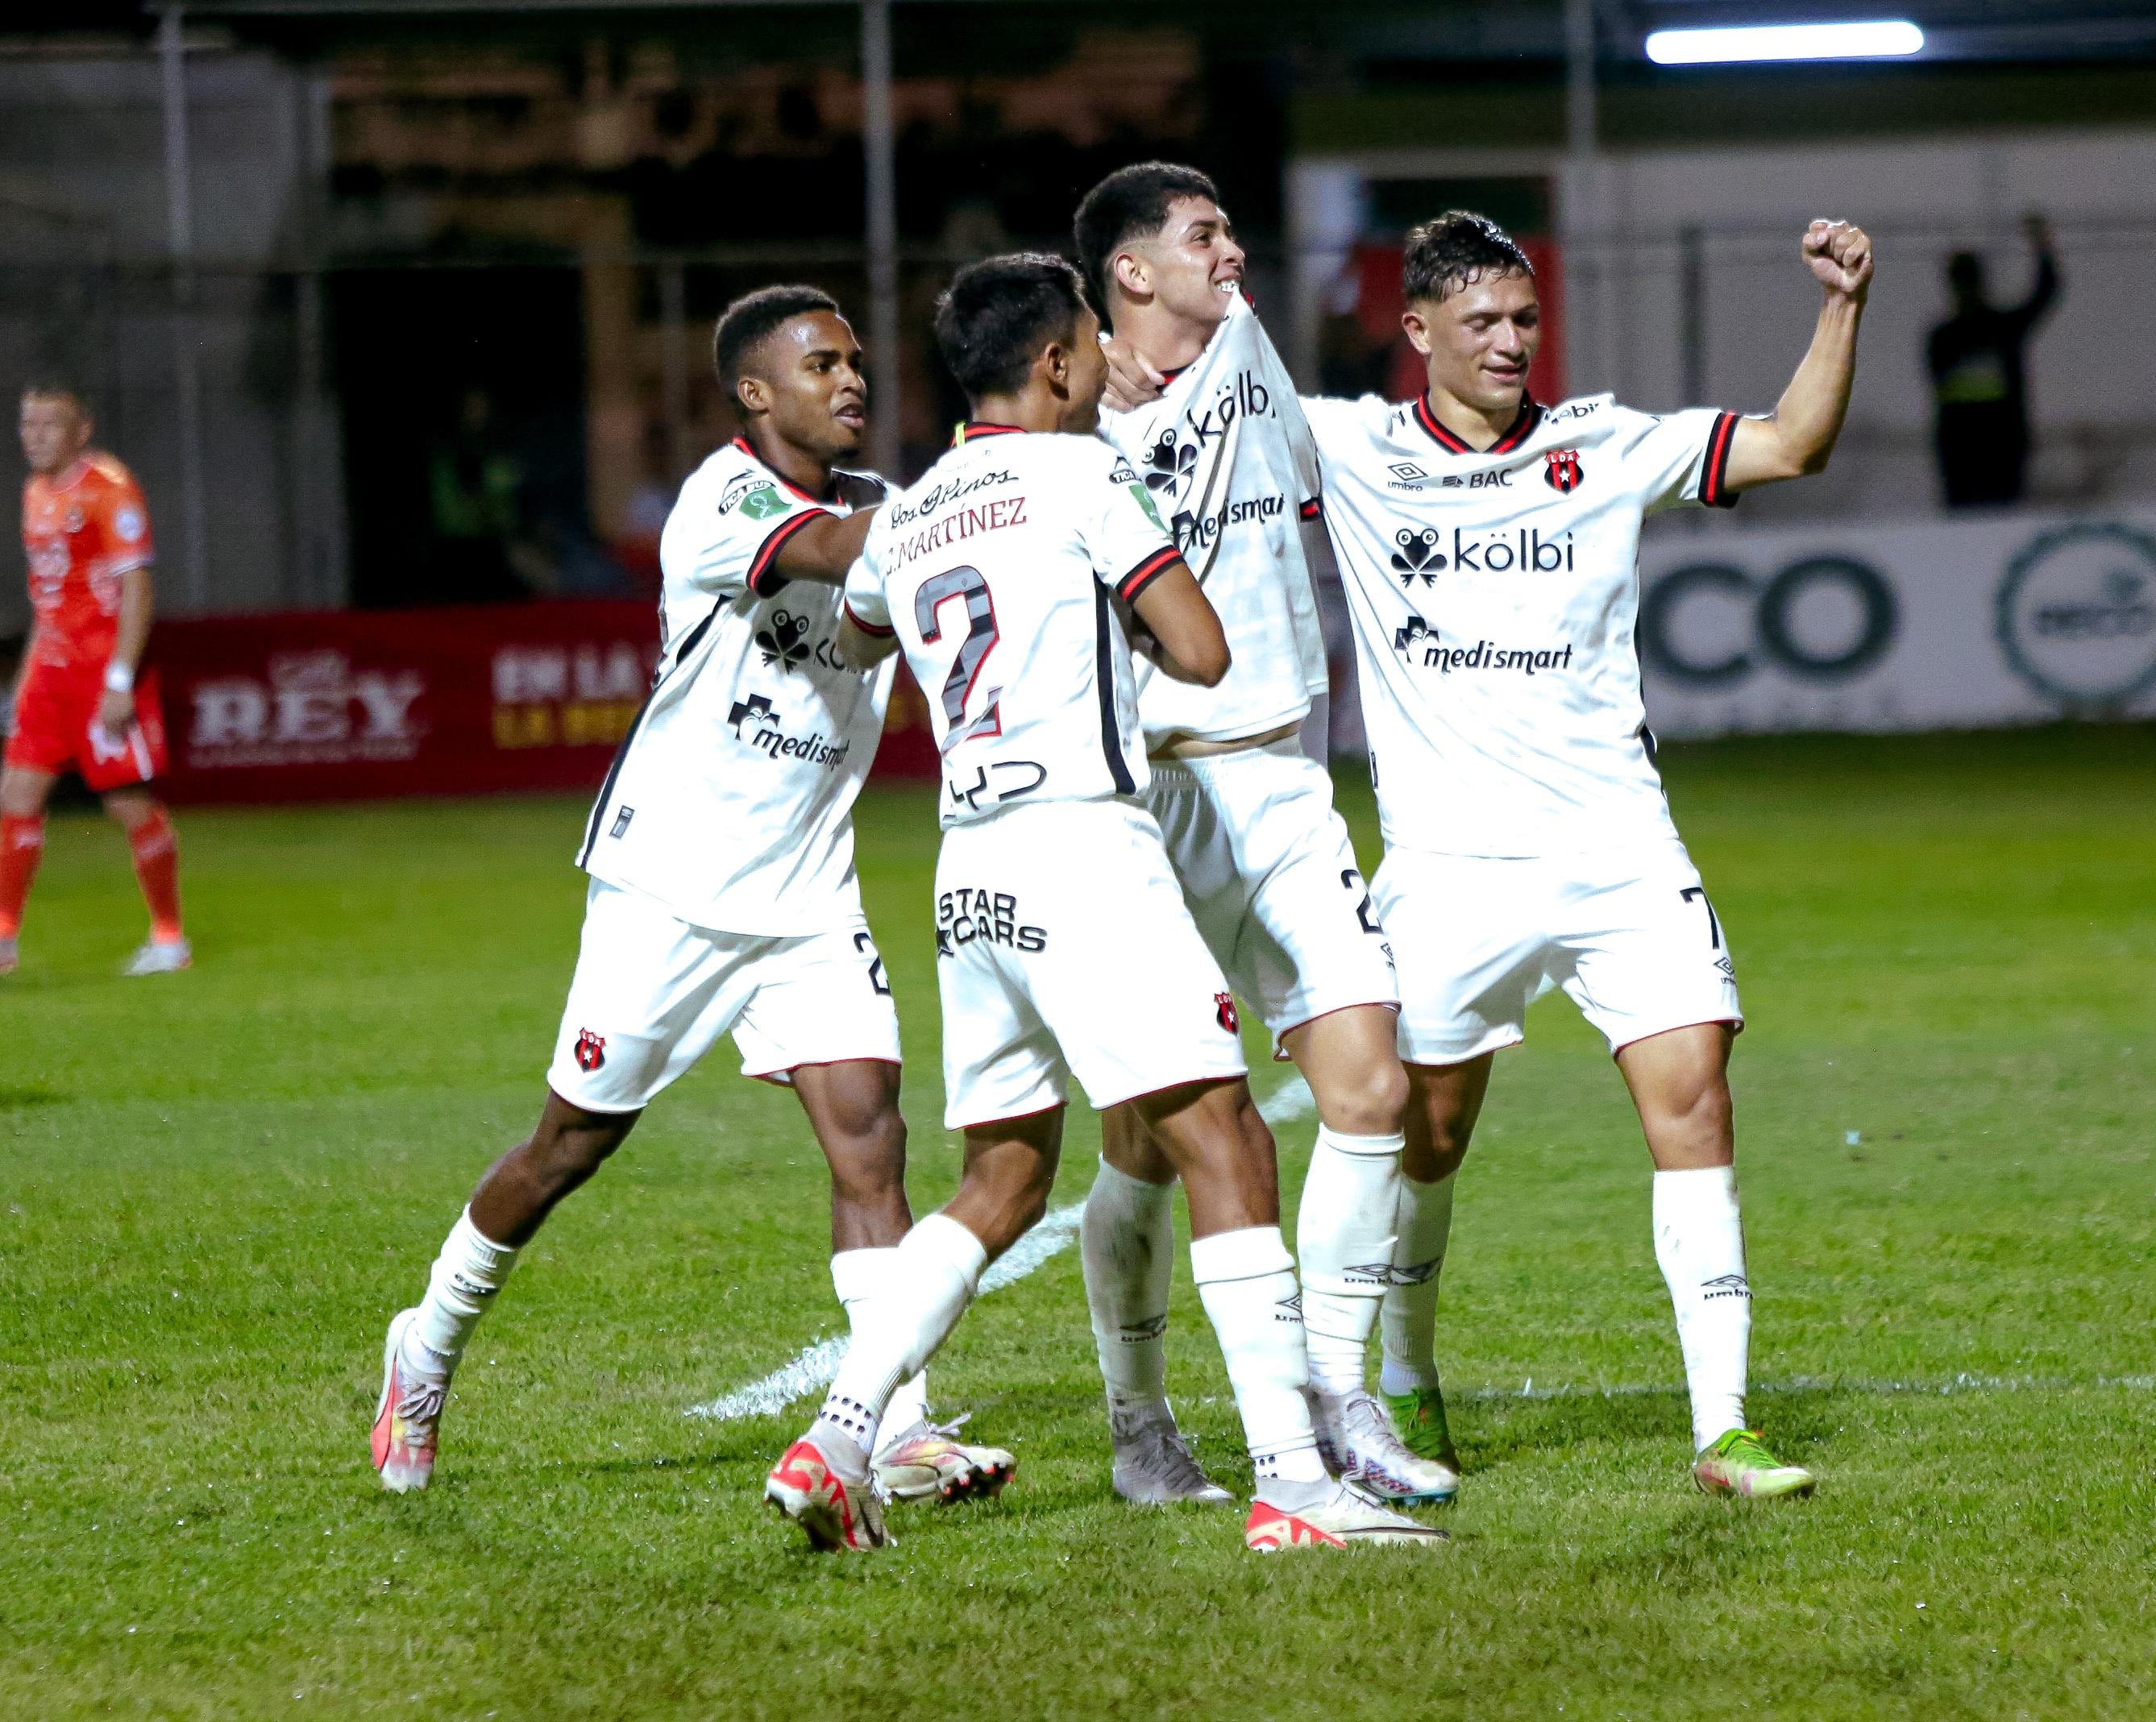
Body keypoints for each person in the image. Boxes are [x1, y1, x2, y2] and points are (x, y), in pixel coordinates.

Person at [1110, 209, 1871, 1501]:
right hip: (1450, 866)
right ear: (1417, 334)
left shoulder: (1605, 444)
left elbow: (1791, 443)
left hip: (1619, 843)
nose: (1512, 342)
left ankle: (1724, 1425)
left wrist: (1841, 305)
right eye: (1482, 323)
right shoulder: (1349, 445)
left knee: (1693, 1096)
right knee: (1424, 1135)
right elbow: (1203, 416)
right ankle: (1403, 1376)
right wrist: (1127, 371)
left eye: (1525, 319)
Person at [772, 253, 1440, 1554]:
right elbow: (1202, 648)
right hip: (1086, 847)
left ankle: (842, 1430)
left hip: (969, 867)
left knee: (1005, 1174)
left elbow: (857, 634)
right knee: (1227, 1138)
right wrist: (1103, 616)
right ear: (1060, 365)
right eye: (1086, 343)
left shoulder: (909, 512)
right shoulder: (1085, 474)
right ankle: (1295, 1482)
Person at [371, 286, 1013, 1513]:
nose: (851, 381)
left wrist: (960, 523)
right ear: (755, 392)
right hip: (670, 884)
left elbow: (893, 625)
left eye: (857, 362)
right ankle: (428, 1343)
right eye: (820, 364)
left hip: (810, 890)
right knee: (571, 1144)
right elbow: (835, 561)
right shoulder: (722, 504)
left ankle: (893, 1425)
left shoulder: (881, 506)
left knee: (870, 1139)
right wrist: (985, 503)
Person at [1067, 163, 1449, 1509]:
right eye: (1202, 234)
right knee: (1142, 1140)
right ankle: (1139, 1420)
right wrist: (1072, 400)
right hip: (1149, 813)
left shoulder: (1244, 350)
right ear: (1128, 269)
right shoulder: (1062, 430)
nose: (1233, 252)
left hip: (1282, 784)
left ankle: (1339, 1400)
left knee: (1372, 1089)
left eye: (1229, 228)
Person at [2, 383, 188, 978]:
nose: (35, 436)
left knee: (127, 803)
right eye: (28, 425)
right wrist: (24, 681)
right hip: (50, 673)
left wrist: (119, 678)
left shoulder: (110, 490)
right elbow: (47, 603)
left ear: (81, 430)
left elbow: (138, 587)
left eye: (49, 425)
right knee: (16, 797)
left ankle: (168, 936)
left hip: (100, 669)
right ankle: (4, 935)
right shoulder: (34, 492)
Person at [1926, 213, 2058, 508]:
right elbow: (2045, 293)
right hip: (1966, 457)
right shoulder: (1948, 338)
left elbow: (2045, 292)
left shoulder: (1993, 330)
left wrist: (2041, 243)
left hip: (1999, 453)